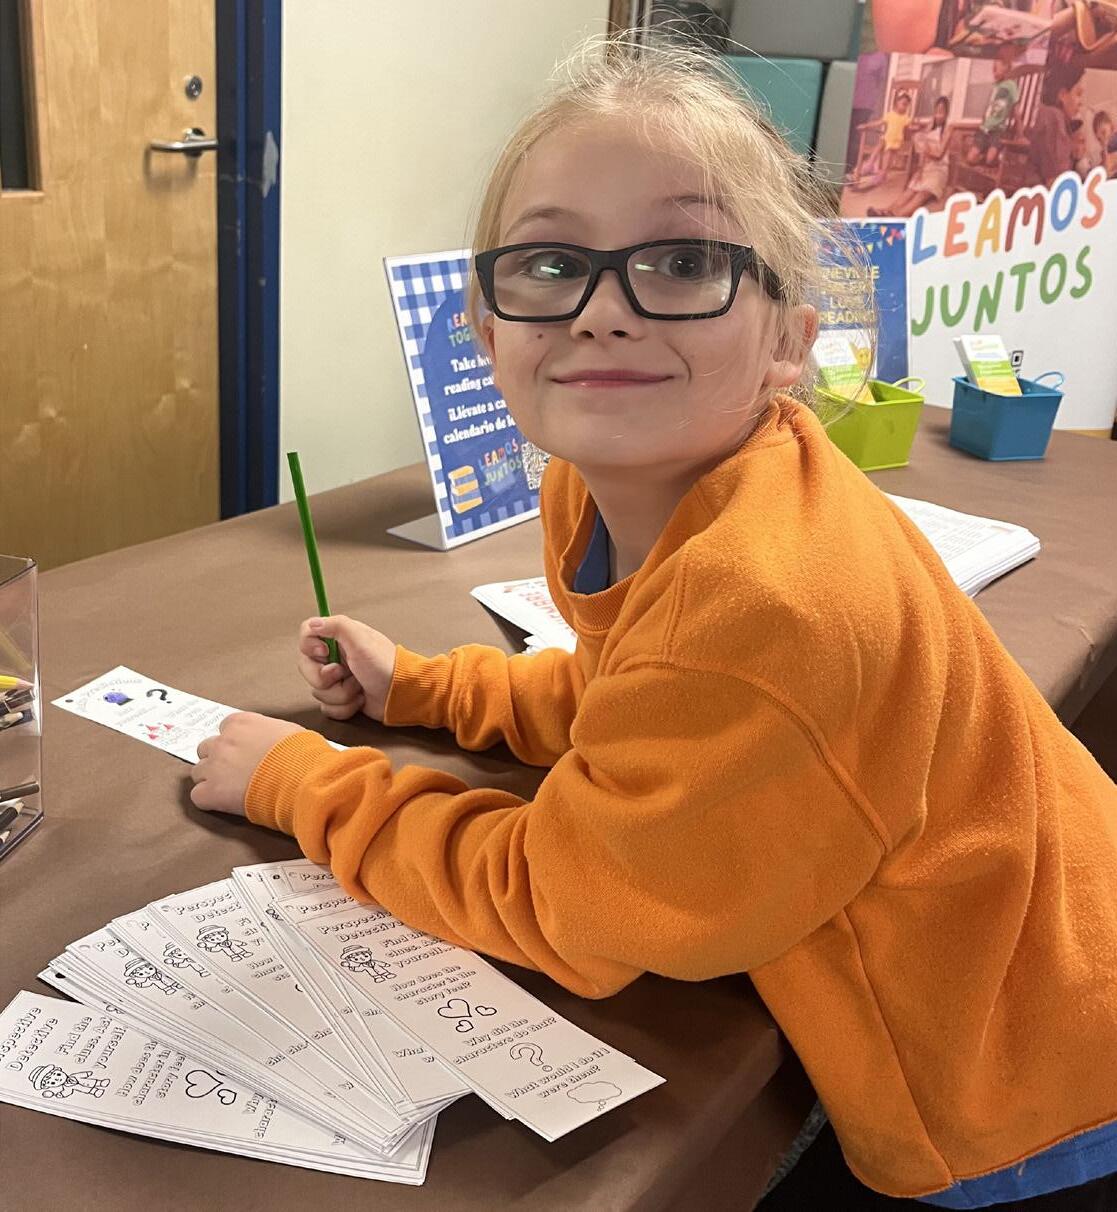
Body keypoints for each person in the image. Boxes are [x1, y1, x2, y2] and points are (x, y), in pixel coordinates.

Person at [188, 34, 1117, 1209]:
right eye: (549, 263)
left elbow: (566, 905)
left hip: (1022, 1091)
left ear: (788, 339)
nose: (602, 312)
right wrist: (428, 691)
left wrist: (304, 785)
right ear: (487, 329)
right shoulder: (625, 488)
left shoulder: (766, 600)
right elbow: (634, 693)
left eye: (682, 261)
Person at [869, 95, 954, 217]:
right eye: (936, 111)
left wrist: (925, 149)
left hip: (939, 170)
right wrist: (920, 169)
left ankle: (897, 216)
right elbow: (921, 150)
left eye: (941, 112)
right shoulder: (930, 126)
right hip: (926, 167)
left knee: (921, 194)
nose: (938, 115)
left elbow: (939, 154)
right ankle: (886, 211)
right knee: (910, 191)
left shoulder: (949, 128)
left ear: (946, 114)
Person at [1027, 61, 1086, 186]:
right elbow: (1056, 182)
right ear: (1062, 95)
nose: (1081, 102)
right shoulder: (1054, 119)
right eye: (1078, 94)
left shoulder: (1048, 114)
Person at [965, 44, 1020, 167]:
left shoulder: (1011, 85)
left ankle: (991, 156)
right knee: (970, 159)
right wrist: (982, 122)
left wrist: (1020, 134)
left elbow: (1016, 109)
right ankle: (985, 153)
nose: (993, 72)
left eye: (996, 69)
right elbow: (989, 108)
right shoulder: (995, 86)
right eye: (992, 69)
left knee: (990, 160)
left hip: (997, 131)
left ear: (1006, 67)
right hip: (984, 129)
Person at [851, 92, 914, 183]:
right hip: (886, 138)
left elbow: (909, 129)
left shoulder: (906, 118)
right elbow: (878, 122)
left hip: (895, 141)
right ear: (897, 103)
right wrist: (866, 125)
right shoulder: (890, 115)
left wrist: (915, 128)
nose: (904, 107)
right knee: (880, 143)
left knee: (888, 155)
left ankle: (883, 173)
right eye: (903, 104)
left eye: (906, 105)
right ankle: (870, 164)